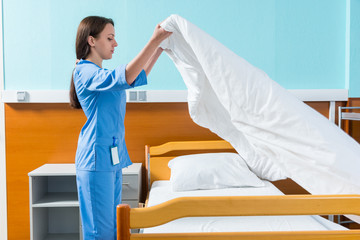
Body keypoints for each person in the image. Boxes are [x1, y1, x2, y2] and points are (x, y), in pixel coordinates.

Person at [69, 16, 171, 240]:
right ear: (92, 41)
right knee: (100, 232)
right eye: (110, 38)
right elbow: (124, 76)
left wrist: (160, 48)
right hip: (96, 161)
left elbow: (134, 77)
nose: (115, 43)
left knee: (116, 228)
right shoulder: (84, 71)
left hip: (110, 160)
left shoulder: (102, 75)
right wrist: (153, 42)